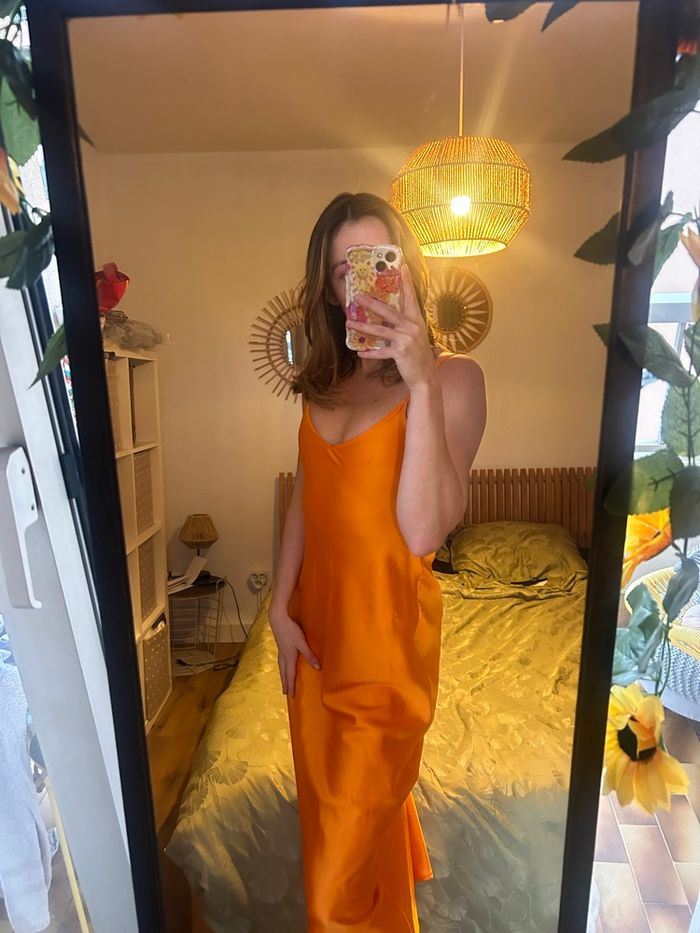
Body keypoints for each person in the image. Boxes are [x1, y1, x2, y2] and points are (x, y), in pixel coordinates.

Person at [268, 192, 487, 931]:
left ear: (405, 267)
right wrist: (278, 606)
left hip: (385, 648)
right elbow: (307, 498)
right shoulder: (325, 380)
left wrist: (419, 379)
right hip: (315, 639)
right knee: (335, 833)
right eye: (344, 270)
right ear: (331, 290)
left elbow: (423, 530)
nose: (361, 281)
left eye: (376, 260)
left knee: (332, 895)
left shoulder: (455, 380)